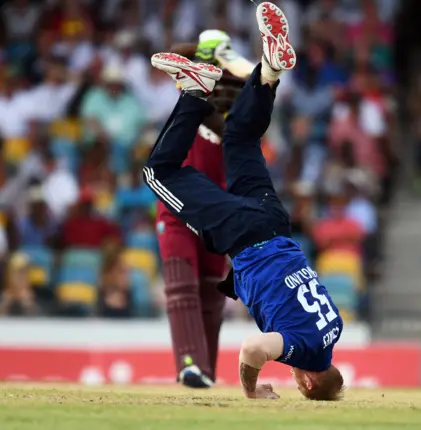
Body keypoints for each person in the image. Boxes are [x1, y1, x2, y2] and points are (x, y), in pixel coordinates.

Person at [144, 2, 344, 401]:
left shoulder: (335, 327)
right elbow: (254, 350)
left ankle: (268, 73)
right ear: (307, 381)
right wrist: (252, 392)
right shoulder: (302, 351)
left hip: (275, 221)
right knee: (159, 173)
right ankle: (195, 90)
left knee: (239, 136)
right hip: (246, 236)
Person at [155, 29, 249, 389]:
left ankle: (205, 373)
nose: (226, 94)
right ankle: (190, 365)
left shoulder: (240, 128)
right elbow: (175, 54)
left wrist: (234, 66)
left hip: (215, 217)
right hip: (177, 213)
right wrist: (208, 54)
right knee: (181, 290)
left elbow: (256, 85)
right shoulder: (192, 95)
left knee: (212, 296)